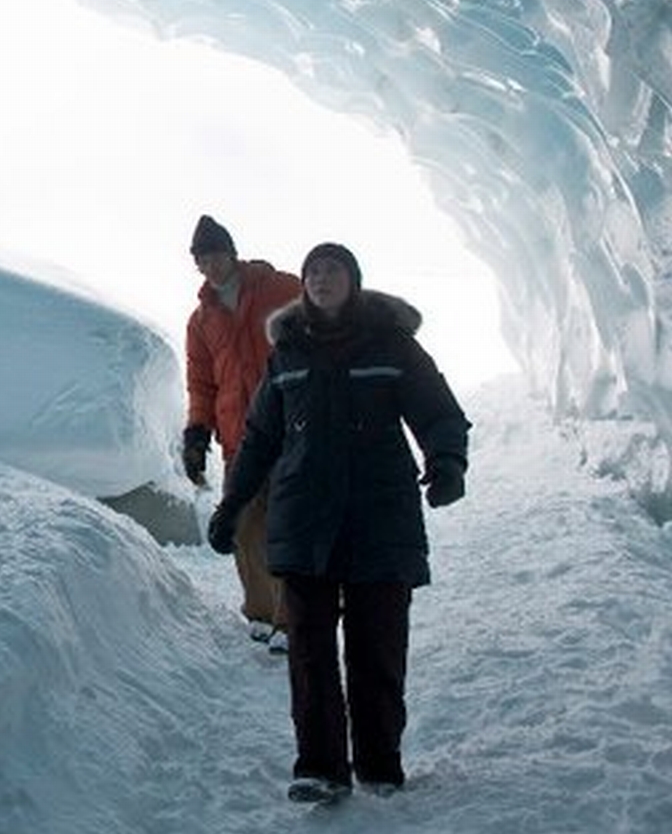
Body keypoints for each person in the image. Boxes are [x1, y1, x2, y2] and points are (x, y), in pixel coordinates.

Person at [206, 242, 470, 804]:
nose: (322, 279)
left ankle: (379, 763)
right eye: (313, 271)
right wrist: (233, 505)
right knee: (309, 649)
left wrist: (446, 462)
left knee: (377, 647)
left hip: (380, 515)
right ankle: (320, 767)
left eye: (333, 269)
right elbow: (259, 439)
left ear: (353, 279)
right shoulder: (287, 355)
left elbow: (438, 410)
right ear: (303, 285)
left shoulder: (392, 344)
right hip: (304, 520)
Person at [182, 215, 303, 652]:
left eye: (215, 256)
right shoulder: (200, 321)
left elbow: (326, 324)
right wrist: (197, 431)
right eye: (201, 261)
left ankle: (293, 618)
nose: (210, 267)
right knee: (247, 525)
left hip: (292, 428)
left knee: (289, 522)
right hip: (238, 436)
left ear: (231, 252)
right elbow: (202, 383)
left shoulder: (282, 288)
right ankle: (260, 613)